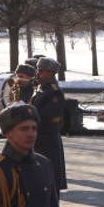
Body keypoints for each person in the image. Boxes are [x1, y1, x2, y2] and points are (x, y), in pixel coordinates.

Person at [30, 57, 67, 190]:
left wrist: (27, 113)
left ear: (50, 73)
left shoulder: (54, 92)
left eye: (41, 71)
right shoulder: (42, 89)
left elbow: (44, 117)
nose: (37, 74)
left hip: (47, 140)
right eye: (37, 70)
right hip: (39, 139)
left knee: (50, 180)